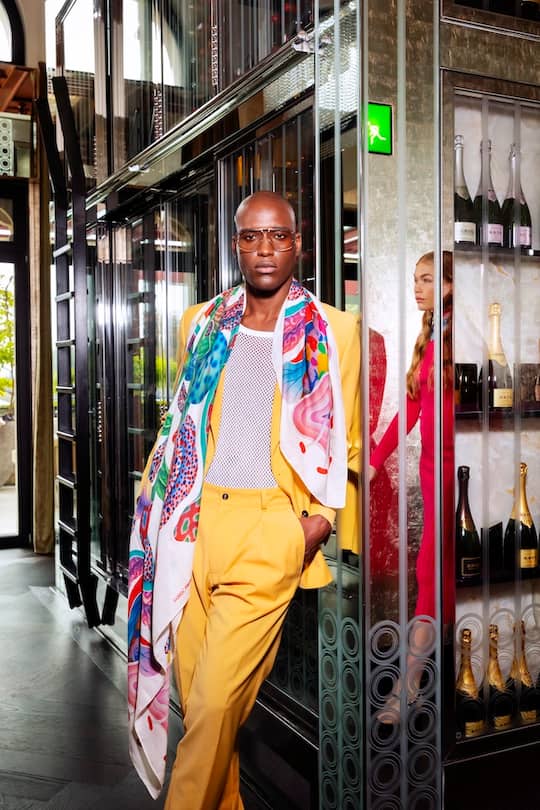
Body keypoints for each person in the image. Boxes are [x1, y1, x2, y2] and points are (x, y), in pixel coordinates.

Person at [127, 190, 361, 808]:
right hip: (193, 528)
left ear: (298, 243)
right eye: (252, 237)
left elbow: (349, 443)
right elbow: (186, 422)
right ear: (236, 245)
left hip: (269, 531)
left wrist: (314, 524)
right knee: (207, 716)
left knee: (209, 710)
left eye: (278, 236)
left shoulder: (336, 331)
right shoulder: (201, 322)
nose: (265, 249)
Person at [369, 250, 454, 719]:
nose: (417, 288)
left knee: (432, 575)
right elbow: (412, 409)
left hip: (456, 473)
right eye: (414, 280)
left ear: (449, 285)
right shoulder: (431, 334)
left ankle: (411, 684)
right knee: (433, 575)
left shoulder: (457, 335)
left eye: (426, 280)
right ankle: (429, 679)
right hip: (431, 472)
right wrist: (378, 459)